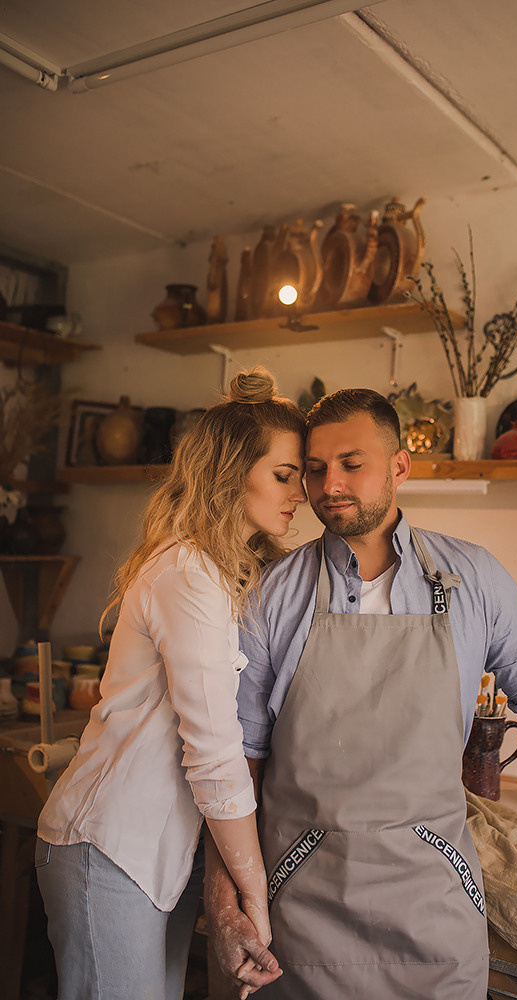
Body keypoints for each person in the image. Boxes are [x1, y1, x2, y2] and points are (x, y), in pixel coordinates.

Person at [205, 387, 517, 1000]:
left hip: (434, 907)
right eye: (317, 468)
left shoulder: (473, 578)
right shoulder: (271, 592)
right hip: (298, 907)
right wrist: (225, 903)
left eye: (353, 464)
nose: (330, 485)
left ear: (400, 466)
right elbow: (236, 763)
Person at [36, 369, 307, 1000]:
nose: (301, 494)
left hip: (159, 855)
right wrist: (253, 894)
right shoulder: (189, 574)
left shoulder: (228, 575)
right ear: (232, 472)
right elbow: (214, 751)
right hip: (107, 847)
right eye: (284, 474)